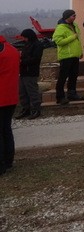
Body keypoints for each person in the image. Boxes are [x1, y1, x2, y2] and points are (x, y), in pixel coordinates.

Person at [52, 9, 84, 105]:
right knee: (63, 77)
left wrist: (80, 52)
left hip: (75, 55)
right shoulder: (60, 27)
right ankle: (60, 97)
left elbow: (78, 40)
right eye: (73, 15)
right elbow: (58, 41)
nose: (75, 17)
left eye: (75, 15)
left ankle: (72, 93)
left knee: (73, 76)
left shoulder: (75, 26)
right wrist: (72, 37)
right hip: (66, 56)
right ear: (67, 17)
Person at [0, 34, 20, 176]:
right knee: (6, 129)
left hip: (1, 96)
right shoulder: (12, 49)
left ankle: (1, 165)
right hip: (11, 96)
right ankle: (8, 160)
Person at [16, 29, 44, 120]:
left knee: (32, 91)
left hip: (31, 72)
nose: (24, 39)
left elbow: (35, 59)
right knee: (22, 92)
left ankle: (36, 109)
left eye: (25, 37)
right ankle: (26, 109)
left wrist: (22, 61)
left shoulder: (38, 45)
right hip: (23, 72)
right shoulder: (26, 45)